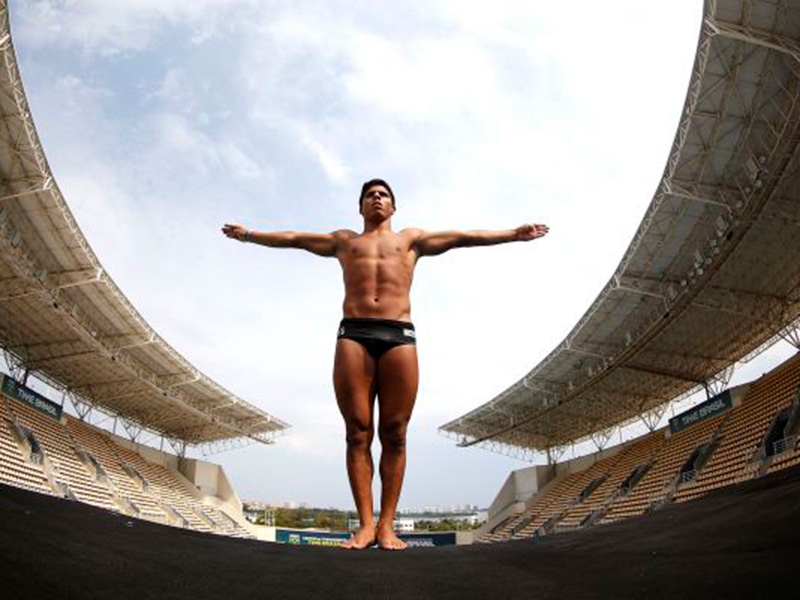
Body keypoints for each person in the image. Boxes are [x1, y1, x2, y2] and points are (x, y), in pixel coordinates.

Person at [222, 179, 548, 550]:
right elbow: (295, 238)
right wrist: (250, 235)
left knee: (395, 432)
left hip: (399, 335)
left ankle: (387, 526)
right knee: (357, 431)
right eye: (369, 195)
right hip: (354, 334)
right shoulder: (345, 241)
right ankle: (365, 525)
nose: (377, 198)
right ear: (360, 207)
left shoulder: (410, 240)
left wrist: (513, 234)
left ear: (393, 207)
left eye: (383, 195)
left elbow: (463, 236)